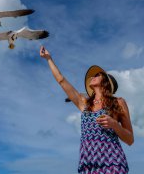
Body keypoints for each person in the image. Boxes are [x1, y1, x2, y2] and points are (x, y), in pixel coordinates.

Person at [40, 46, 134, 174]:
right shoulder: (84, 103)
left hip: (112, 162)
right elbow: (61, 81)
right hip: (87, 163)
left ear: (105, 82)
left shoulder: (118, 102)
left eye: (98, 75)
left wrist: (114, 125)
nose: (93, 77)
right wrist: (48, 59)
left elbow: (130, 139)